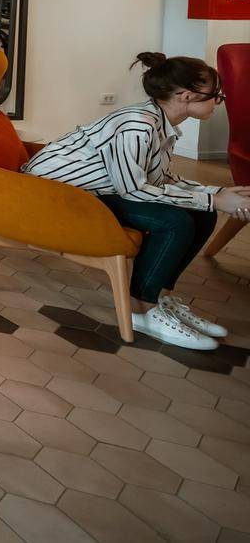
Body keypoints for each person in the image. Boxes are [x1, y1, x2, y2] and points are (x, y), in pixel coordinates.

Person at [23, 52, 250, 350]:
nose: (219, 102)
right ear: (186, 96)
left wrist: (214, 195)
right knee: (174, 222)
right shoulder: (138, 126)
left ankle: (162, 299)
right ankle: (141, 311)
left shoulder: (159, 122)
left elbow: (160, 180)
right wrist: (214, 200)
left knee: (202, 215)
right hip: (57, 194)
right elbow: (134, 190)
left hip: (98, 190)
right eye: (216, 96)